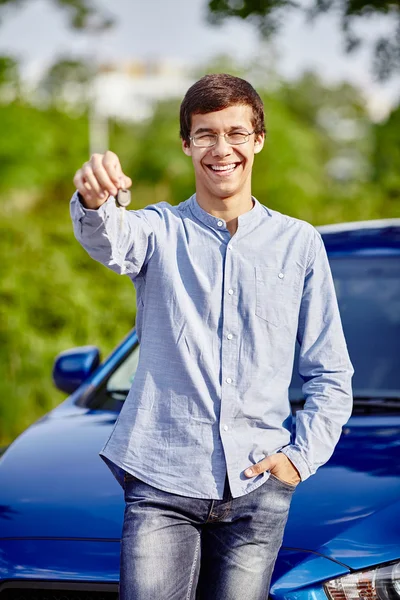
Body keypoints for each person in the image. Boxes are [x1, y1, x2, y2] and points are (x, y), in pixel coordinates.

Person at [70, 73, 354, 600]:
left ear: (258, 140)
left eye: (236, 133)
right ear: (186, 144)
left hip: (257, 488)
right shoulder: (158, 231)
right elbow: (109, 237)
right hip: (161, 483)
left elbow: (331, 373)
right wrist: (94, 199)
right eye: (205, 135)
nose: (221, 149)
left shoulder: (299, 245)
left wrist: (299, 459)